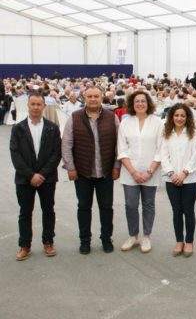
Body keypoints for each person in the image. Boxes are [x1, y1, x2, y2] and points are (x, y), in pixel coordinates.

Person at [61, 86, 120, 255]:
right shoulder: (74, 117)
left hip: (106, 172)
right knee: (84, 207)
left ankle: (106, 239)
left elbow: (119, 145)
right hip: (83, 172)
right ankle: (84, 240)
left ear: (102, 97)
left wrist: (116, 166)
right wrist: (70, 167)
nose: (93, 99)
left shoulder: (112, 117)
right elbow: (66, 144)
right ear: (84, 98)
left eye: (96, 96)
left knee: (106, 207)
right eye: (90, 96)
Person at [10, 92, 61, 261]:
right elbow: (15, 154)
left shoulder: (52, 128)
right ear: (28, 105)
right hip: (25, 179)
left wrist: (42, 174)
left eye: (39, 104)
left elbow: (56, 154)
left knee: (48, 211)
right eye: (33, 104)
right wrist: (31, 175)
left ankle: (48, 242)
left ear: (44, 106)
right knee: (25, 212)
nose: (36, 107)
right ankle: (25, 245)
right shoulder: (18, 128)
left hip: (47, 178)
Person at [117, 91, 163, 254]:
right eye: (137, 101)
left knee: (148, 205)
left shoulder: (158, 123)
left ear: (148, 103)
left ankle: (147, 237)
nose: (140, 104)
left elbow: (161, 149)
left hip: (151, 171)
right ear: (132, 104)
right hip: (130, 172)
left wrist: (149, 172)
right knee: (130, 205)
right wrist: (134, 172)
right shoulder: (125, 123)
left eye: (143, 101)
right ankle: (133, 236)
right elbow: (122, 150)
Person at [161, 103, 196, 258]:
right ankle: (179, 241)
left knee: (188, 210)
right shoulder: (167, 133)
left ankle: (189, 241)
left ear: (187, 118)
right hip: (172, 180)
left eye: (182, 115)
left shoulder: (193, 133)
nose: (179, 118)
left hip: (190, 180)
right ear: (172, 116)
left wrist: (184, 173)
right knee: (176, 211)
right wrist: (172, 174)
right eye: (176, 115)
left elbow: (195, 155)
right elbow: (164, 156)